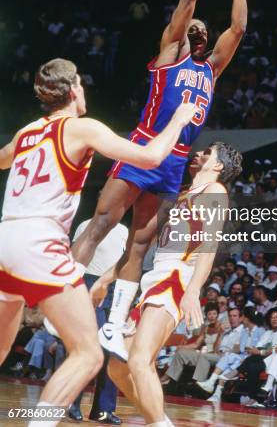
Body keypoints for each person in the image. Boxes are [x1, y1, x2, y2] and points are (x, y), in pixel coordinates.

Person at [72, 0, 252, 360]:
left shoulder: (211, 69)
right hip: (143, 147)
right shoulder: (170, 55)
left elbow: (240, 28)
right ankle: (64, 295)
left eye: (203, 30)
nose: (197, 29)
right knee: (101, 224)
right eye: (192, 27)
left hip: (174, 162)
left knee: (140, 242)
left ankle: (112, 325)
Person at [0, 58, 196, 427]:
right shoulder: (81, 127)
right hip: (38, 240)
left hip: (5, 236)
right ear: (74, 89)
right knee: (88, 355)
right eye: (82, 85)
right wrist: (179, 120)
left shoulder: (27, 132)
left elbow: (2, 160)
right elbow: (151, 156)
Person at [107, 142, 243, 427]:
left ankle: (158, 423)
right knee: (118, 368)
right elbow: (144, 244)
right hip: (154, 279)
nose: (200, 154)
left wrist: (193, 290)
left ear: (218, 166)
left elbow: (210, 243)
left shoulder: (215, 191)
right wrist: (110, 276)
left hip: (176, 278)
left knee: (139, 360)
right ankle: (158, 419)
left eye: (208, 153)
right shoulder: (182, 195)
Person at [69, 218, 129, 424]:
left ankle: (103, 410)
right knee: (89, 346)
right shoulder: (86, 225)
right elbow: (75, 257)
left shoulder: (124, 231)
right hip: (89, 282)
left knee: (111, 350)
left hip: (116, 288)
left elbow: (128, 262)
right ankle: (71, 402)